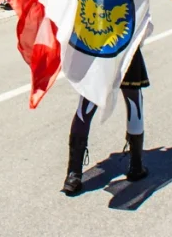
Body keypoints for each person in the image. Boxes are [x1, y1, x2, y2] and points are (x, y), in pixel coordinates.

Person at [61, 50, 149, 196]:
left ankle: (73, 174)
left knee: (86, 107)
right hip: (126, 49)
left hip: (98, 50)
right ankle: (136, 165)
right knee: (134, 101)